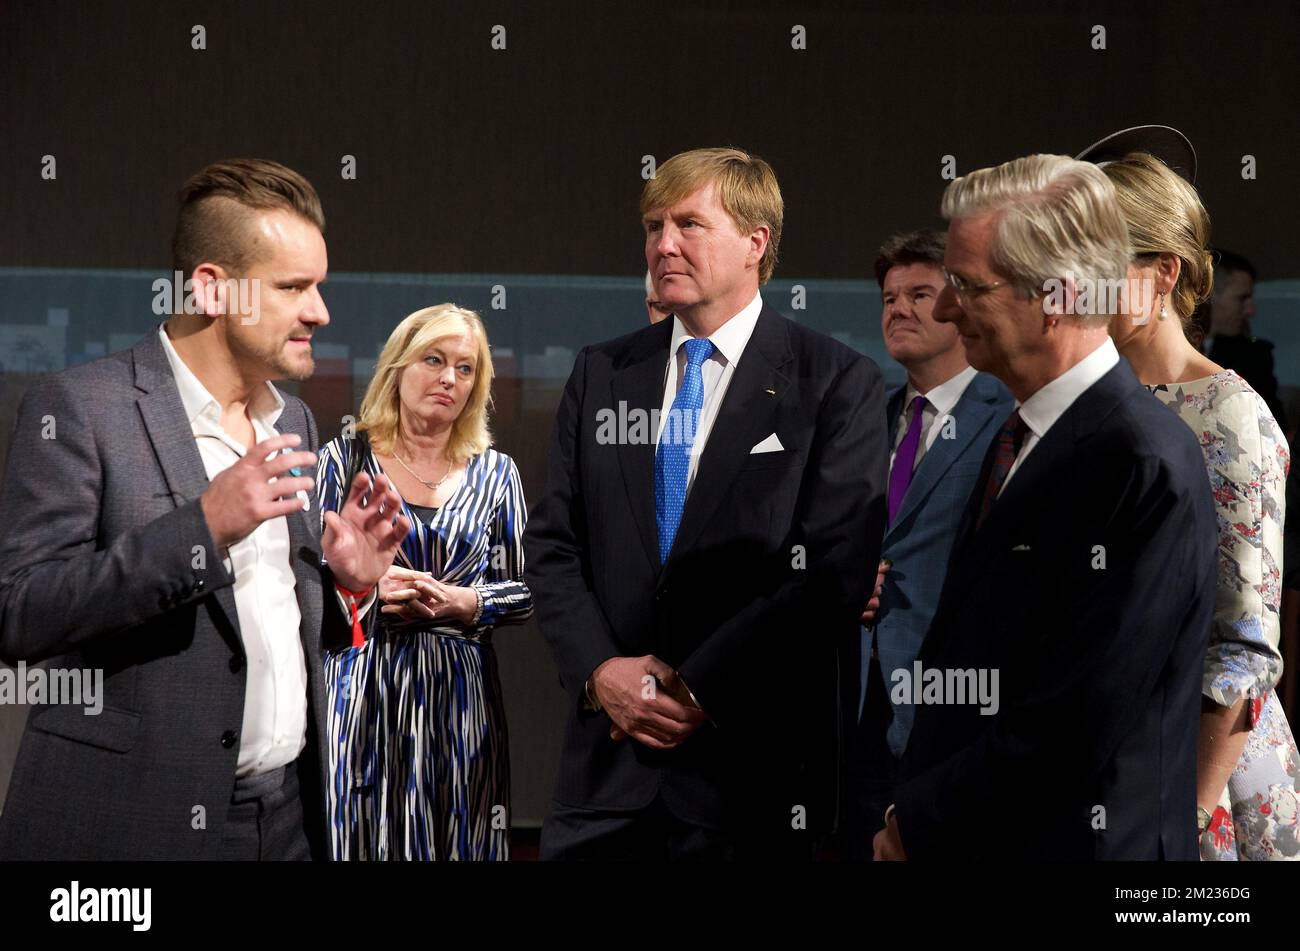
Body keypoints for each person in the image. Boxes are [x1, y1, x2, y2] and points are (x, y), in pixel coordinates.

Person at [0, 158, 408, 860]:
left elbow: (267, 630)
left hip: (286, 822)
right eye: (293, 287)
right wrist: (203, 528)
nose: (321, 311)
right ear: (213, 288)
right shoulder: (81, 409)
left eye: (320, 286)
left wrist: (347, 587)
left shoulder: (296, 422)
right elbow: (21, 611)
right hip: (133, 823)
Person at [525, 146, 887, 859]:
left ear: (756, 243)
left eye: (689, 224)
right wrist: (602, 671)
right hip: (605, 780)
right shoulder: (603, 371)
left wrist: (698, 687)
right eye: (654, 225)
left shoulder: (835, 381)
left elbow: (832, 572)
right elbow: (554, 545)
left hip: (752, 784)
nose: (664, 244)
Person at [875, 154, 1217, 861]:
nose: (942, 307)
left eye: (966, 286)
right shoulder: (1019, 430)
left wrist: (921, 821)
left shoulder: (1139, 463)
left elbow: (1073, 722)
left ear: (1057, 296)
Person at [1100, 150, 1297, 859]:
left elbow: (1245, 644)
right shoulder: (1085, 405)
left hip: (1204, 777)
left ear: (1164, 273)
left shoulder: (1228, 412)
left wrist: (1188, 812)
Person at [315, 304, 533, 860]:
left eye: (465, 369)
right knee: (363, 838)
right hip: (365, 685)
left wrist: (468, 602)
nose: (448, 379)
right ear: (396, 368)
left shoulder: (496, 472)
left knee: (462, 840)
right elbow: (304, 578)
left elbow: (528, 589)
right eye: (433, 360)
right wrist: (367, 589)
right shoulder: (343, 459)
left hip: (462, 702)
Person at [842, 229, 1012, 858]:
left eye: (919, 293)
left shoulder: (1008, 417)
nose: (899, 309)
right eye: (889, 298)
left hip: (956, 709)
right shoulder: (866, 418)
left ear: (960, 305)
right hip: (858, 704)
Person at [1206, 250, 1288, 432]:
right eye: (1242, 299)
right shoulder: (1171, 347)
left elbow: (1274, 427)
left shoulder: (1254, 358)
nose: (1250, 311)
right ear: (1208, 295)